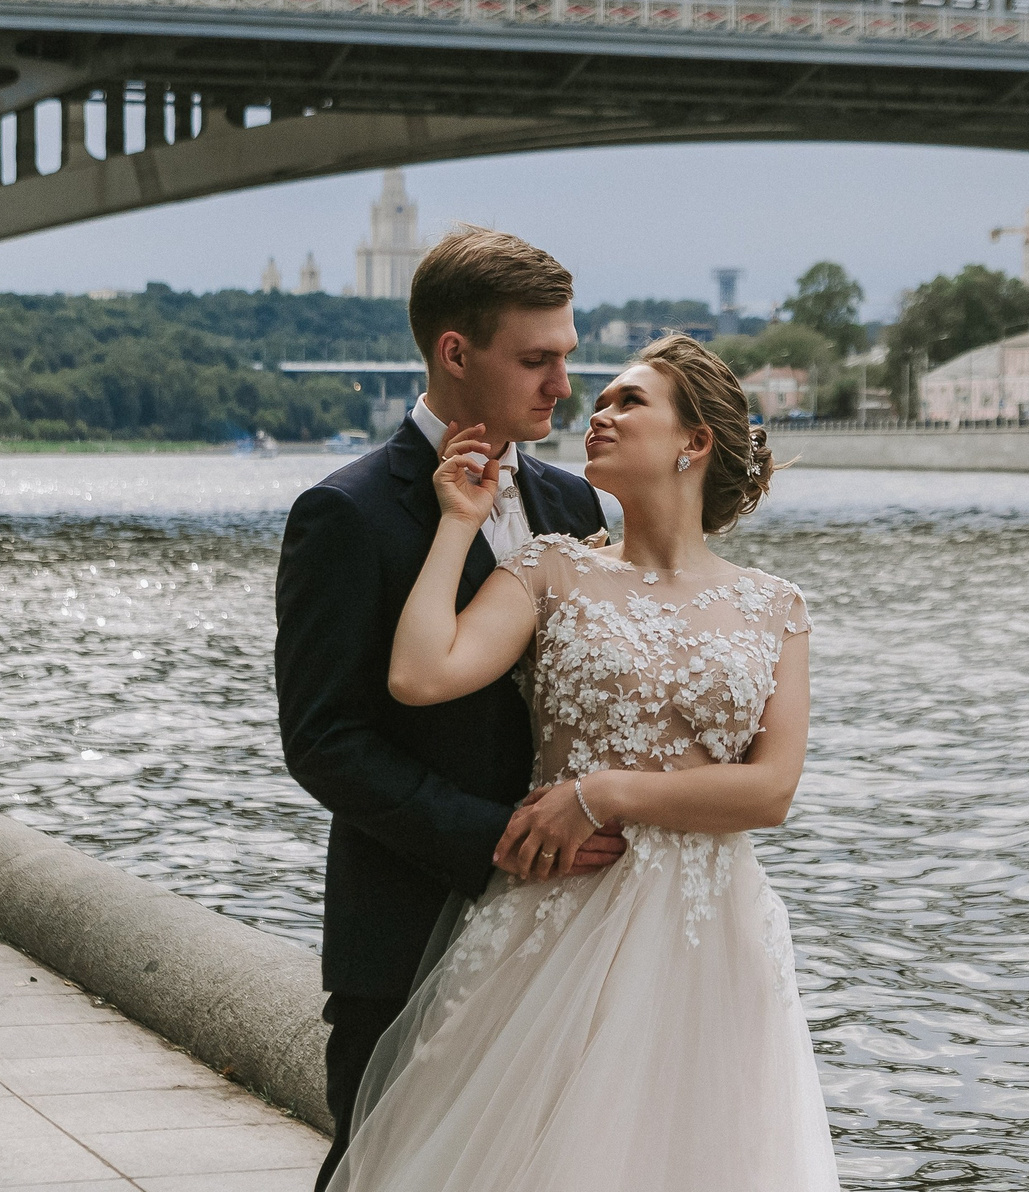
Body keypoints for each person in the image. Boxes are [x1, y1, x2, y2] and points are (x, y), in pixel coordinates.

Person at [323, 333, 838, 1192]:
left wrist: (603, 793)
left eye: (628, 401)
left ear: (695, 441)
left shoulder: (775, 606)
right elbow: (418, 675)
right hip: (554, 919)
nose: (596, 411)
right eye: (599, 400)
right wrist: (456, 523)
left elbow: (772, 790)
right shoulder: (550, 569)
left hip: (710, 936)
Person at [275, 228, 620, 1191]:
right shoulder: (345, 513)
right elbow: (322, 740)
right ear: (454, 353)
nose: (564, 385)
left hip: (567, 922)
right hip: (407, 922)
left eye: (568, 357)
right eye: (537, 359)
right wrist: (492, 835)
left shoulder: (576, 504)